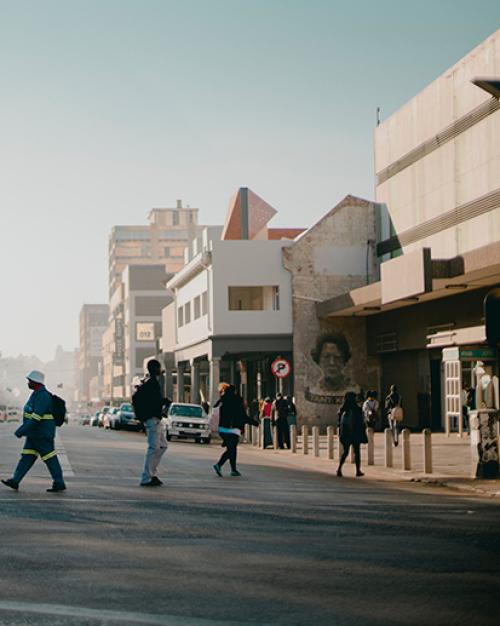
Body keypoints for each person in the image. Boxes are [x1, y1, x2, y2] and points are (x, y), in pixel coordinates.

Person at [2, 370, 66, 493]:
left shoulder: (42, 396)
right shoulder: (36, 394)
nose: (28, 383)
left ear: (36, 382)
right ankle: (15, 480)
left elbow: (36, 417)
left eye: (30, 381)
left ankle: (59, 482)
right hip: (34, 434)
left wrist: (21, 431)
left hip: (41, 434)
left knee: (49, 458)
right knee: (27, 457)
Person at [133, 359, 171, 487]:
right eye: (159, 367)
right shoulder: (152, 383)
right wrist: (164, 401)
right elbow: (154, 401)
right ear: (155, 369)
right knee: (153, 447)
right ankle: (146, 477)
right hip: (152, 419)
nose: (161, 369)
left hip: (155, 419)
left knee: (162, 446)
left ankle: (152, 474)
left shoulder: (152, 382)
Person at [213, 383, 256, 477]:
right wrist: (254, 422)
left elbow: (214, 409)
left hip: (222, 429)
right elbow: (242, 416)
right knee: (232, 449)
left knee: (231, 449)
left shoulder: (222, 400)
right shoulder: (237, 401)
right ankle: (219, 465)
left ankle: (233, 469)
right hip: (233, 429)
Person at [336, 391, 367, 477]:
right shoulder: (356, 409)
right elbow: (361, 422)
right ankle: (357, 470)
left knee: (345, 452)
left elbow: (339, 423)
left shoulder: (342, 410)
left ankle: (339, 468)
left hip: (345, 434)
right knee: (357, 452)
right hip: (355, 434)